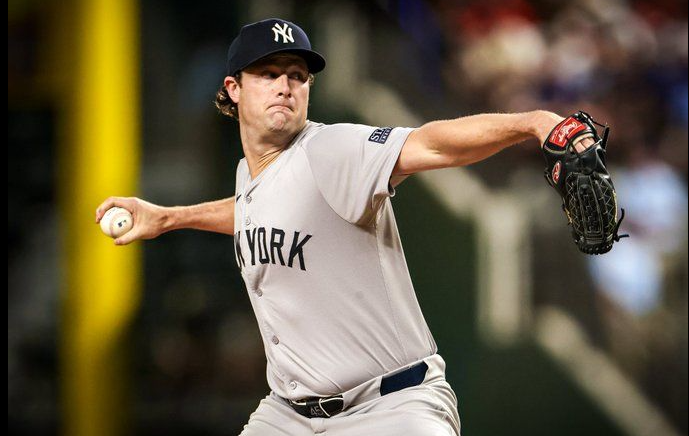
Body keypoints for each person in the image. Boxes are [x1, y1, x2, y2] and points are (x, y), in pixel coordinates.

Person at [96, 18, 584, 436]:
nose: (286, 85)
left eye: (298, 75)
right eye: (268, 74)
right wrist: (170, 217)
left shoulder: (331, 151)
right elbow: (258, 211)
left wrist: (535, 122)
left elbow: (431, 144)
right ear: (233, 89)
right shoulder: (253, 172)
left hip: (390, 408)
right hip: (288, 417)